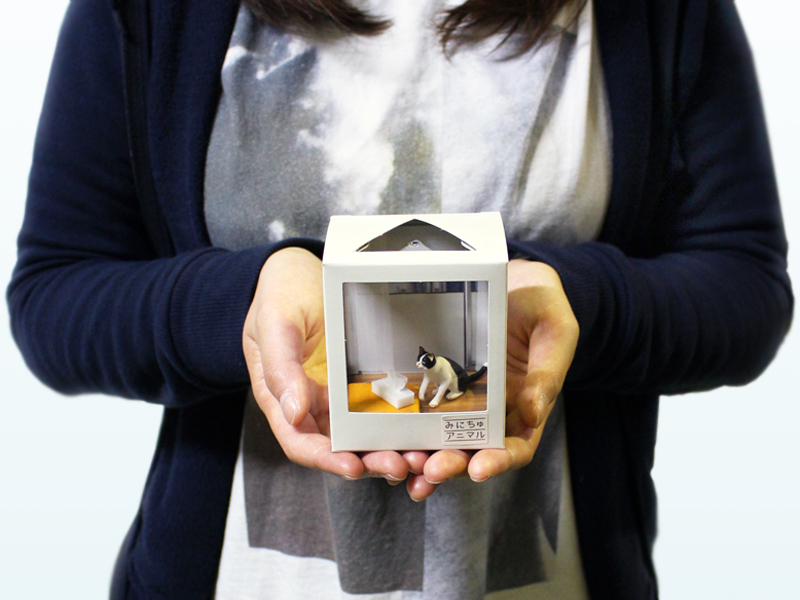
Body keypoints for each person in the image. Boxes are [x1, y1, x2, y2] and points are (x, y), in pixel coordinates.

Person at [7, 0, 792, 598]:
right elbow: (55, 292)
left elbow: (744, 282)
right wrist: (239, 304)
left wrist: (580, 304)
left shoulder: (656, 14)